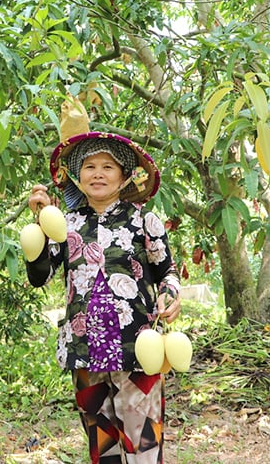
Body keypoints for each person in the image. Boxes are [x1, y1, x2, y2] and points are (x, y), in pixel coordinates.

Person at [25, 124, 182, 464]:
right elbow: (40, 276)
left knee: (142, 442)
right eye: (89, 167)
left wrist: (170, 294)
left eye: (108, 166)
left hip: (137, 348)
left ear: (125, 177)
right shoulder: (64, 225)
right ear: (77, 176)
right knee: (101, 443)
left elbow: (167, 272)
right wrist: (39, 228)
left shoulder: (144, 221)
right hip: (84, 350)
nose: (98, 174)